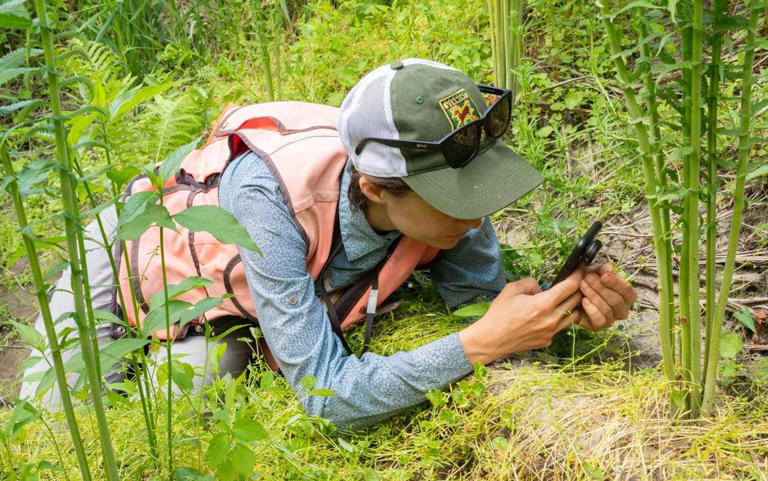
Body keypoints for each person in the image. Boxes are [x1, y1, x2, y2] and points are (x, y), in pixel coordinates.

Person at [19, 58, 637, 428]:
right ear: (373, 186)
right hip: (130, 259)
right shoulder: (273, 197)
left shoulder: (441, 179)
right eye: (456, 198)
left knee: (198, 387)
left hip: (228, 301)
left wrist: (557, 313)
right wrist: (477, 346)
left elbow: (480, 299)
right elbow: (326, 394)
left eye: (477, 188)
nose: (476, 217)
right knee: (60, 417)